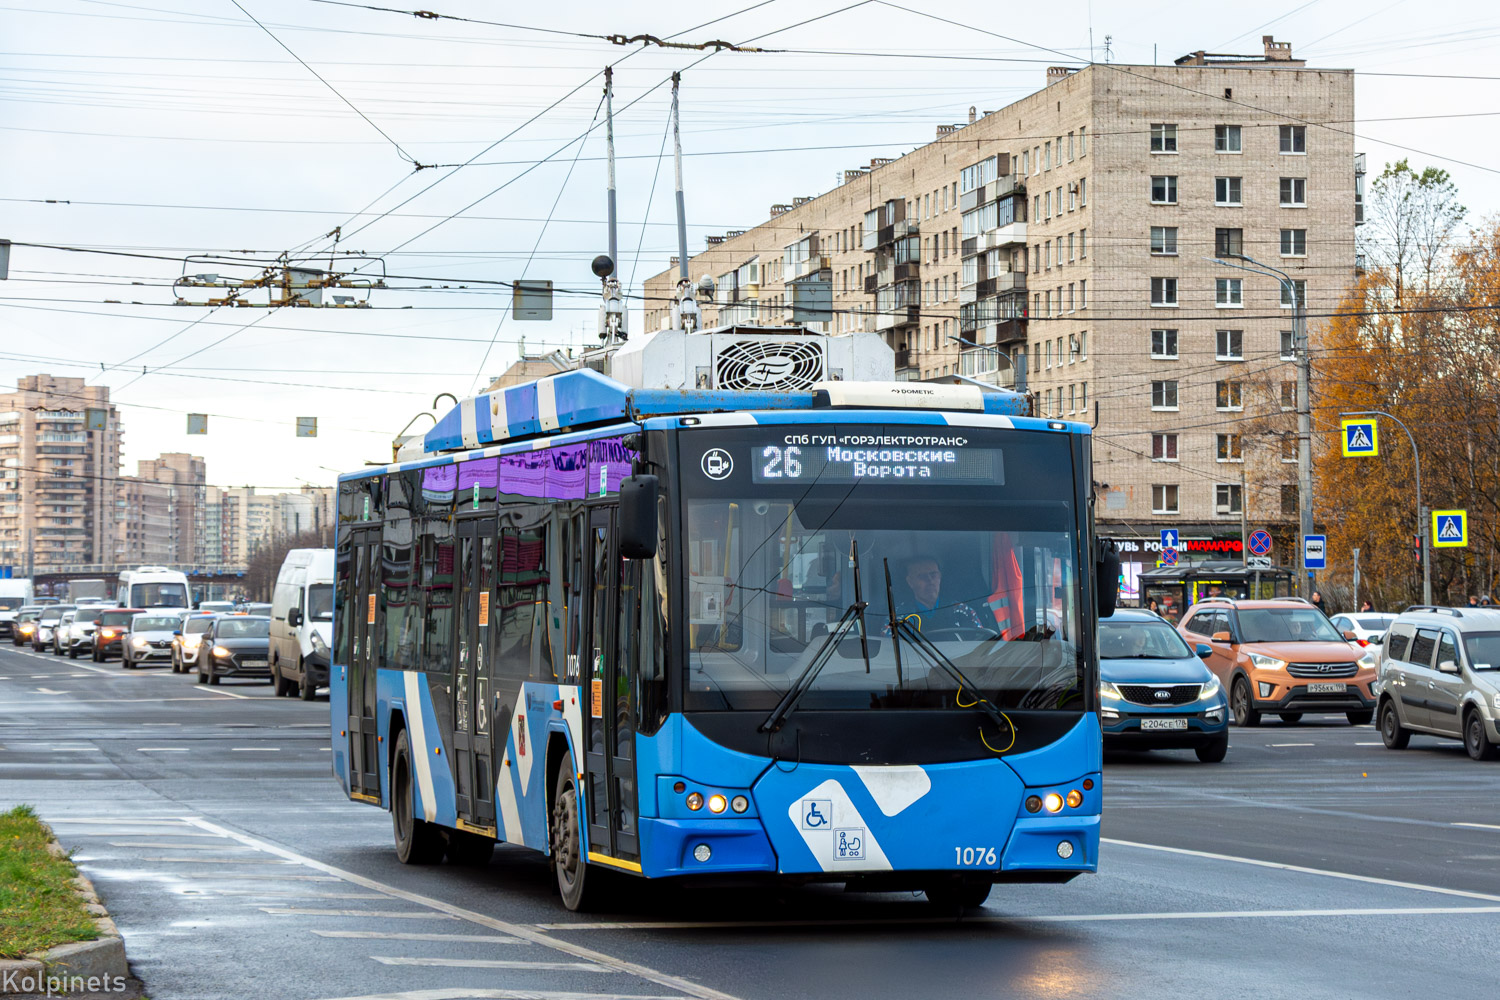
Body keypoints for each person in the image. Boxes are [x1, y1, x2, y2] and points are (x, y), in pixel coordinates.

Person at [898, 556, 988, 632]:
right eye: (922, 576)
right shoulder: (899, 617)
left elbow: (980, 644)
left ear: (940, 577)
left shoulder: (962, 611)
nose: (930, 580)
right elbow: (889, 648)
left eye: (933, 574)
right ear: (910, 582)